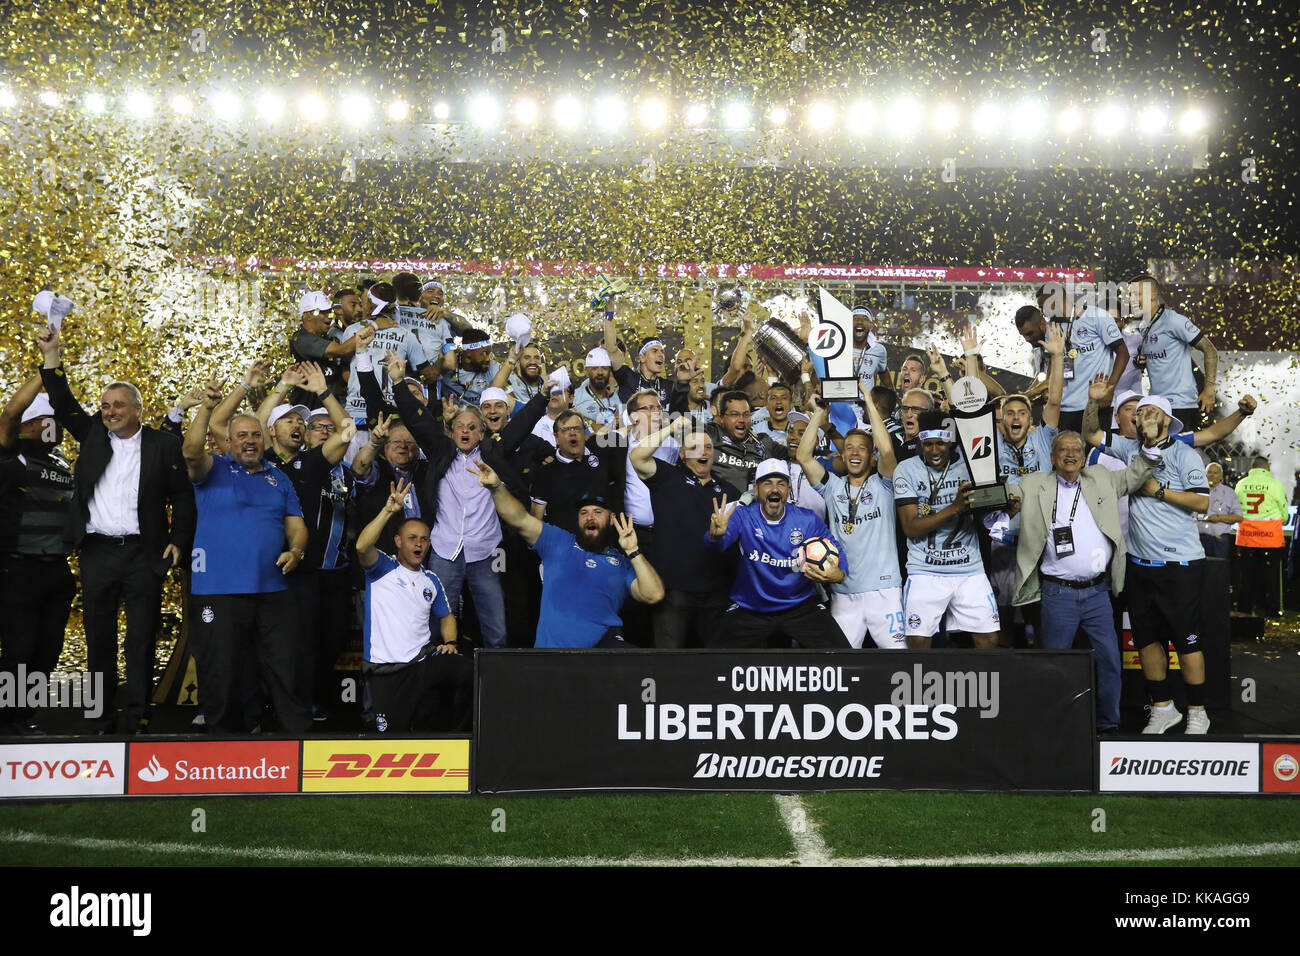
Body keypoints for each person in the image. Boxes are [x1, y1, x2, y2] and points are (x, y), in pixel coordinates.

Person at [37, 325, 196, 733]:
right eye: (105, 406)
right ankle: (100, 713)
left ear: (137, 408)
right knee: (99, 637)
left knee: (141, 638)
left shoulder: (162, 444)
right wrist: (52, 355)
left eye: (118, 405)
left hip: (146, 554)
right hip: (98, 552)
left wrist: (178, 542)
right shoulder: (92, 435)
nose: (109, 412)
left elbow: (182, 496)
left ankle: (138, 712)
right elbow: (62, 400)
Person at [182, 382, 311, 734]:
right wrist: (206, 410)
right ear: (228, 441)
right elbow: (191, 453)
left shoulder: (279, 478)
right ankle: (223, 743)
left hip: (272, 589)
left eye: (255, 434)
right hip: (218, 590)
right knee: (220, 668)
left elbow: (297, 527)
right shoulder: (213, 470)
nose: (249, 441)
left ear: (265, 439)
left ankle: (295, 739)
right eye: (241, 435)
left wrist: (296, 551)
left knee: (284, 666)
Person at [1011, 431, 1160, 733]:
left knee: (1109, 661)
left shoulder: (1101, 478)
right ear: (1052, 457)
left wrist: (1150, 446)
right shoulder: (1033, 484)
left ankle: (1108, 724)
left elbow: (1134, 476)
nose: (1070, 454)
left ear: (1083, 455)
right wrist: (1002, 500)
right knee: (1056, 665)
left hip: (1097, 594)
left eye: (1076, 450)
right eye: (1062, 450)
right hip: (1057, 594)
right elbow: (1008, 495)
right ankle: (1055, 726)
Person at [472, 460, 664, 646]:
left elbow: (653, 595)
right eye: (583, 513)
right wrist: (497, 488)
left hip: (602, 655)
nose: (590, 517)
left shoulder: (621, 563)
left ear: (611, 519)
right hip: (555, 659)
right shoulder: (558, 541)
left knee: (637, 666)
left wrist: (633, 551)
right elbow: (519, 519)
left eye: (597, 512)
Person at [392, 360, 509, 649]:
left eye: (472, 427)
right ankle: (434, 683)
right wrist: (397, 382)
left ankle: (496, 688)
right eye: (460, 427)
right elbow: (417, 420)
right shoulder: (441, 452)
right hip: (445, 550)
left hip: (485, 553)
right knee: (433, 624)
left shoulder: (495, 455)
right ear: (452, 431)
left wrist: (542, 396)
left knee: (496, 629)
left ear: (482, 433)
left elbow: (521, 427)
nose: (465, 432)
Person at [1114, 395, 1213, 734]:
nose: (1144, 416)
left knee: (1187, 642)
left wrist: (1158, 492)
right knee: (1147, 641)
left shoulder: (1185, 454)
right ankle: (1163, 707)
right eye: (1140, 412)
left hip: (1180, 564)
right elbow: (1091, 434)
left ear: (1168, 420)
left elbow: (1201, 501)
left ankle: (1198, 711)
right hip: (1140, 564)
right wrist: (1093, 404)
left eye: (1152, 411)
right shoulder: (1130, 451)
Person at [356, 478, 471, 732]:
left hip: (422, 663)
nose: (419, 544)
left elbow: (447, 617)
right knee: (390, 736)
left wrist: (450, 643)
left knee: (470, 672)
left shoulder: (431, 579)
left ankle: (460, 740)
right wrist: (388, 510)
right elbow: (363, 546)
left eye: (424, 539)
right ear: (398, 541)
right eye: (412, 538)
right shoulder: (382, 568)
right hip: (387, 671)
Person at [703, 459, 850, 648]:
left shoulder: (807, 519)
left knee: (843, 657)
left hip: (800, 606)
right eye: (767, 483)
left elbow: (835, 547)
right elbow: (715, 547)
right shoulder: (742, 515)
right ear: (756, 490)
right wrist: (714, 537)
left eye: (781, 484)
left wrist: (840, 573)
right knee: (712, 662)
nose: (774, 489)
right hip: (751, 606)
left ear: (789, 490)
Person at [0, 379, 78, 734]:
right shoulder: (12, 452)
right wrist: (44, 375)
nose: (58, 426)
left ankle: (23, 719)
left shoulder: (61, 461)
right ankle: (5, 721)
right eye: (51, 419)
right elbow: (9, 414)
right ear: (31, 425)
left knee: (48, 651)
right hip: (19, 569)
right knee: (19, 649)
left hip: (57, 571)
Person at [799, 399, 906, 649]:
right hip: (844, 591)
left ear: (872, 457)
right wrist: (817, 414)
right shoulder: (832, 487)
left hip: (885, 591)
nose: (855, 453)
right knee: (839, 666)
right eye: (849, 448)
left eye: (862, 448)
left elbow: (888, 451)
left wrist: (869, 400)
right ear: (842, 454)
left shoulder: (885, 485)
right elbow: (803, 456)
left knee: (898, 661)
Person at [892, 409, 1000, 649]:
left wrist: (1002, 509)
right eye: (927, 444)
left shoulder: (970, 464)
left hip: (968, 567)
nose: (934, 451)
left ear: (950, 441)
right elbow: (910, 527)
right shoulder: (906, 470)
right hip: (925, 570)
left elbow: (983, 512)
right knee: (918, 642)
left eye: (940, 443)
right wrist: (955, 507)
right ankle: (919, 686)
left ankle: (983, 687)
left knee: (989, 639)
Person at [630, 416, 740, 648]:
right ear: (682, 455)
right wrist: (669, 428)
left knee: (714, 665)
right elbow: (637, 457)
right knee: (668, 661)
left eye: (708, 447)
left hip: (716, 592)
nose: (703, 452)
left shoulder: (729, 491)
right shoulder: (667, 477)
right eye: (694, 448)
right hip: (674, 589)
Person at [986, 323, 1065, 642]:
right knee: (1002, 613)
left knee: (1040, 614)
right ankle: (1006, 675)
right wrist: (973, 359)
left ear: (1031, 420)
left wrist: (1057, 357)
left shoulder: (1044, 439)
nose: (1016, 417)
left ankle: (1043, 671)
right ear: (1001, 420)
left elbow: (1055, 402)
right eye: (1010, 413)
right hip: (1003, 542)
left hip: (1040, 541)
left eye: (1022, 412)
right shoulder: (989, 446)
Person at [1016, 283, 1128, 432]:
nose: (1043, 312)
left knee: (1093, 454)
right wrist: (1029, 394)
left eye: (1044, 306)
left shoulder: (1096, 316)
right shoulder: (1052, 330)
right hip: (1064, 410)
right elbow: (1051, 376)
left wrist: (1110, 388)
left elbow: (1123, 353)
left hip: (1095, 405)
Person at [1127, 273, 1219, 429]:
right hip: (1157, 405)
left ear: (1153, 295)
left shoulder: (1174, 321)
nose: (1131, 299)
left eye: (1137, 294)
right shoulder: (1144, 327)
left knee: (1179, 451)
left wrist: (1209, 387)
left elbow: (1210, 350)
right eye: (1130, 295)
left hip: (1181, 405)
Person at [342, 281, 436, 427]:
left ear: (372, 305)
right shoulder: (406, 335)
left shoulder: (352, 331)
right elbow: (429, 375)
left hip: (356, 412)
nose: (363, 307)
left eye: (366, 302)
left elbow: (344, 369)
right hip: (392, 413)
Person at [529, 408, 624, 534]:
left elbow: (624, 434)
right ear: (556, 437)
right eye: (566, 430)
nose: (573, 433)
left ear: (584, 433)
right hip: (568, 547)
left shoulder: (601, 452)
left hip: (604, 543)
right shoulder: (545, 474)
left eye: (577, 428)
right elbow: (536, 521)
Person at [289, 290, 373, 407]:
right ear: (307, 315)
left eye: (329, 312)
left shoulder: (329, 337)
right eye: (322, 312)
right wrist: (375, 325)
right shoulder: (301, 339)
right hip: (309, 409)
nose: (328, 316)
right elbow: (342, 350)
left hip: (332, 410)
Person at [1233, 454, 1288, 616]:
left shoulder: (1241, 484)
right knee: (1271, 576)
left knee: (1246, 575)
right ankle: (1271, 610)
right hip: (1270, 537)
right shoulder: (1275, 485)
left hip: (1246, 536)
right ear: (1267, 467)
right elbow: (1283, 511)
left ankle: (1244, 609)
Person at [705, 390, 785, 492]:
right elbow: (680, 420)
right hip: (721, 505)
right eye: (734, 414)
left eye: (746, 414)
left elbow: (799, 454)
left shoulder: (764, 441)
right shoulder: (710, 433)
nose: (741, 419)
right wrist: (683, 388)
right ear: (721, 417)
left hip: (755, 506)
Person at [1197, 462, 1241, 560]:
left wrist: (1219, 518)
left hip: (1219, 540)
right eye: (1209, 472)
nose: (1212, 475)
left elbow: (1238, 516)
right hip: (1196, 539)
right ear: (1204, 474)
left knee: (1218, 572)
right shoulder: (1196, 491)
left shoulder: (1229, 493)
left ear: (1221, 476)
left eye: (1215, 473)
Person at [572, 346, 623, 431]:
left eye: (604, 368)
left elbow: (626, 427)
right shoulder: (575, 397)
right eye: (595, 368)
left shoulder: (615, 398)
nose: (600, 372)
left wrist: (620, 423)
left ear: (610, 371)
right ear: (586, 371)